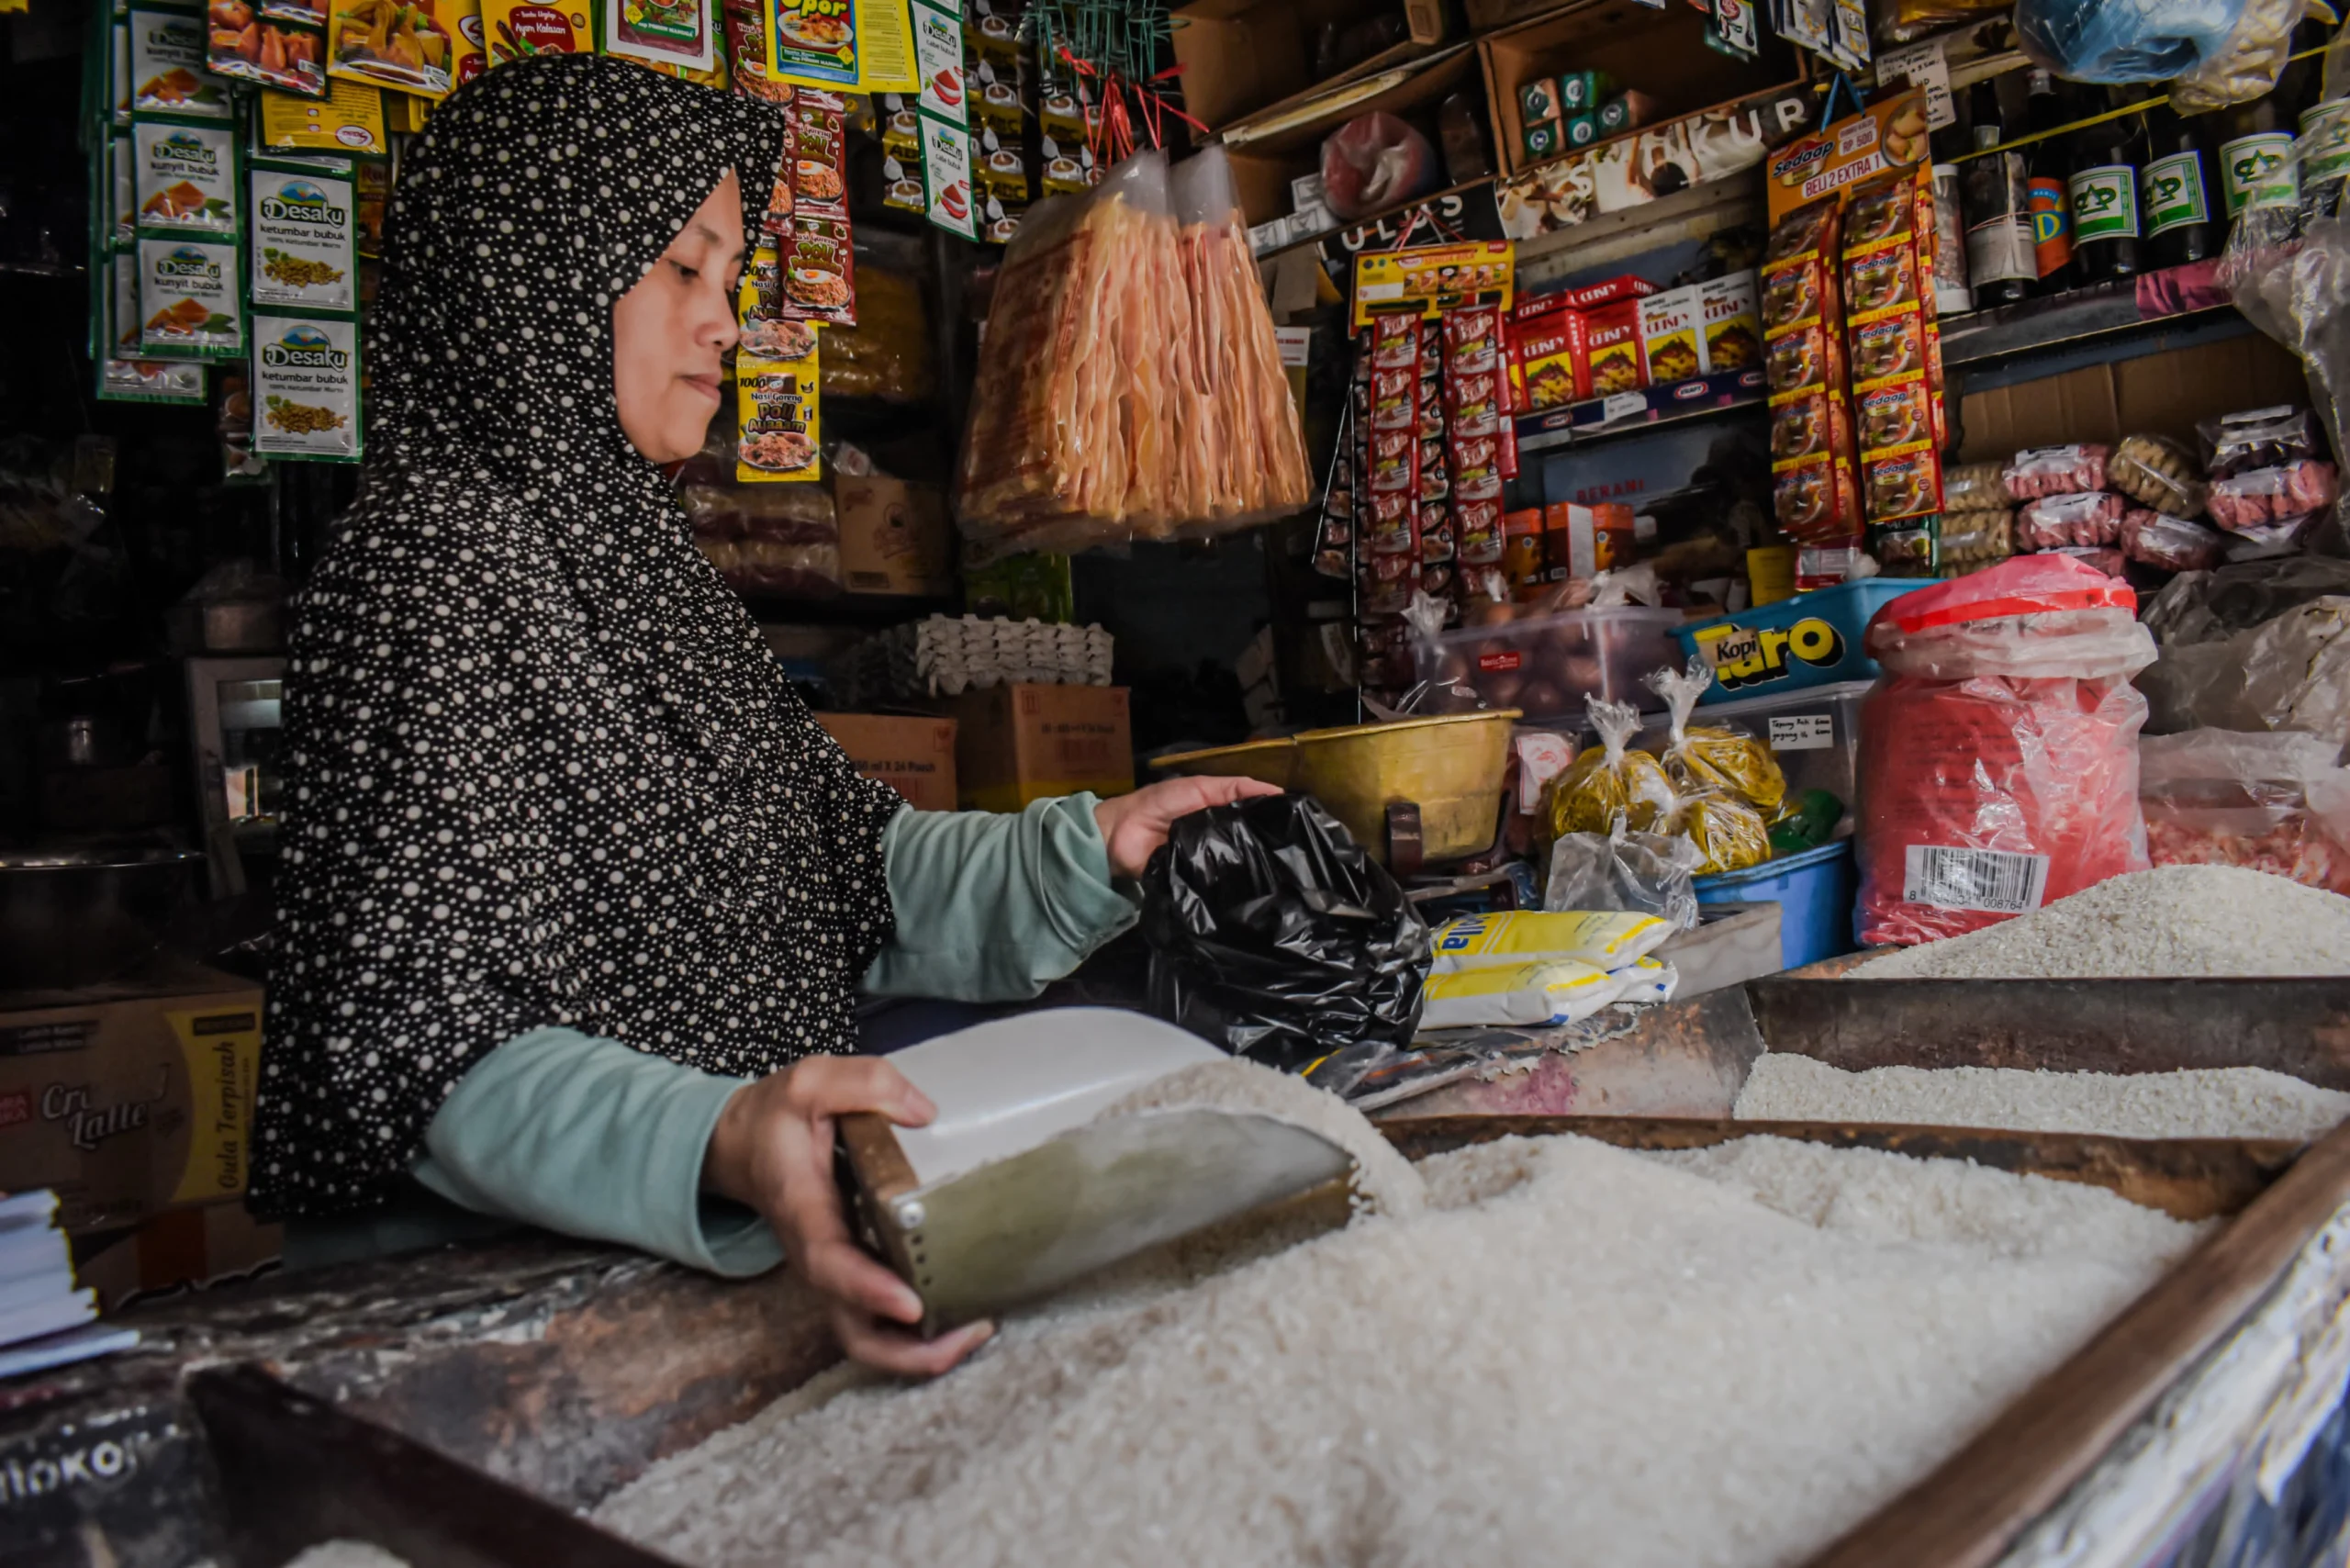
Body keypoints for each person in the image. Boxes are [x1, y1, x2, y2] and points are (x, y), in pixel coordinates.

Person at [251, 55, 1274, 1379]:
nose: (724, 322)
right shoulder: (434, 562)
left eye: (725, 277)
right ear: (537, 273)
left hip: (699, 1278)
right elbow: (429, 1035)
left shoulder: (639, 569)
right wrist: (723, 1135)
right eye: (684, 267)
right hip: (486, 1343)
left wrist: (1095, 849)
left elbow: (845, 866)